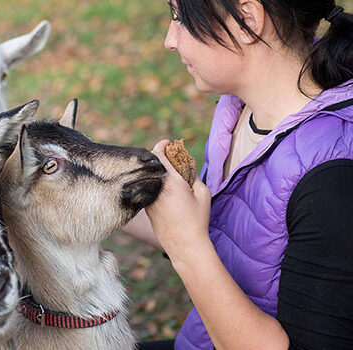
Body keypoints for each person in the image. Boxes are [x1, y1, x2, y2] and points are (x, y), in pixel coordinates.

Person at [124, 0, 353, 349]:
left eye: (182, 17)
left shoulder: (332, 180)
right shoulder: (241, 109)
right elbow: (220, 236)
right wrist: (80, 187)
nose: (170, 40)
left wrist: (187, 246)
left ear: (247, 19)